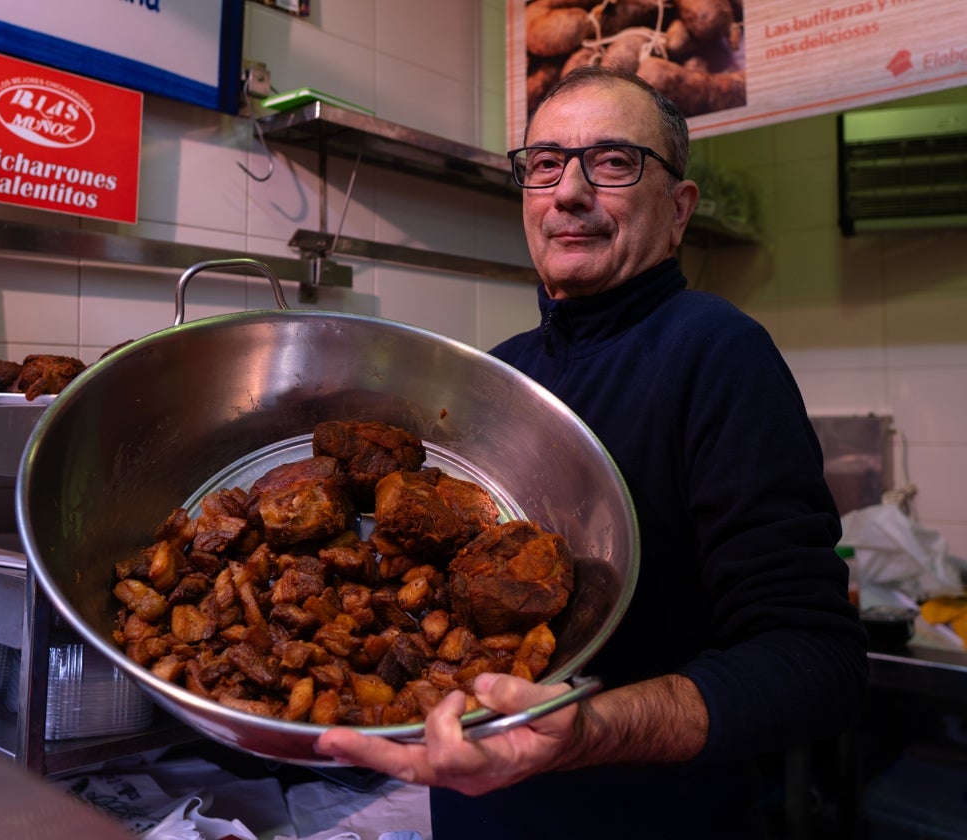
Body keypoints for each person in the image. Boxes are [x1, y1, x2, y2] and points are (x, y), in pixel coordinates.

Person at [314, 65, 869, 837]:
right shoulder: (501, 373)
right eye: (544, 164)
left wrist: (592, 732)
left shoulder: (717, 353)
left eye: (613, 163)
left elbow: (817, 661)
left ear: (677, 211)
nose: (569, 192)